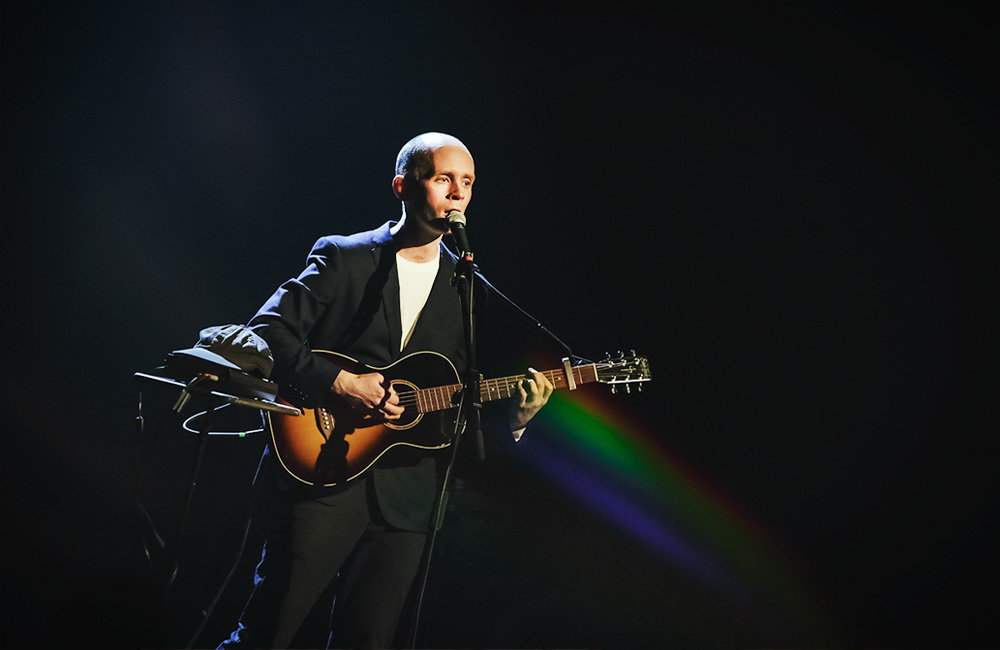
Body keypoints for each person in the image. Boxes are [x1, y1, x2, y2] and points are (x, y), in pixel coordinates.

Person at [220, 132, 553, 649]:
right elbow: (266, 331)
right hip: (324, 471)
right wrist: (338, 382)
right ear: (403, 186)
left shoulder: (467, 286)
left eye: (467, 182)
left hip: (409, 497)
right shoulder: (345, 256)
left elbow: (451, 400)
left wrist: (515, 421)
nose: (458, 193)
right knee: (267, 633)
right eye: (443, 178)